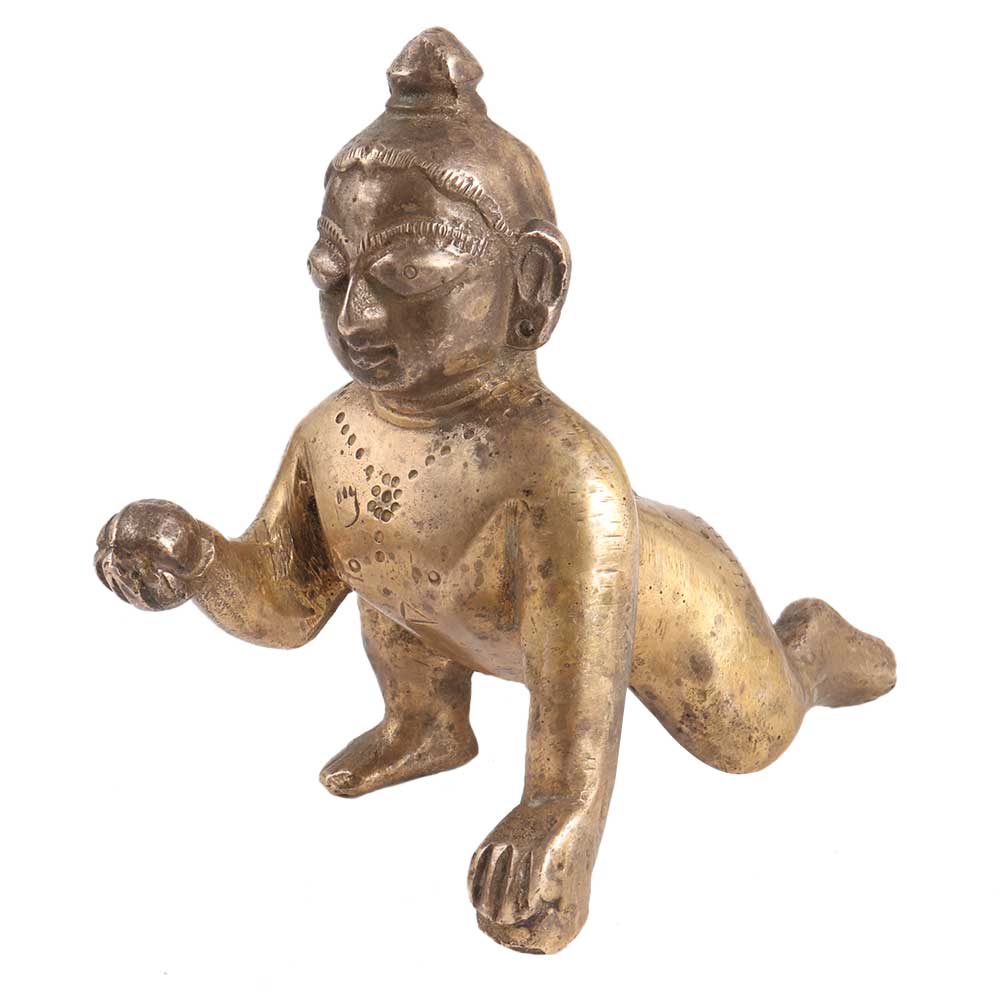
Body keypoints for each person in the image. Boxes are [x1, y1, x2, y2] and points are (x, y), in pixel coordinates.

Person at [95, 27, 895, 954]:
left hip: (678, 606)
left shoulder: (562, 476)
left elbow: (577, 688)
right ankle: (425, 723)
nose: (356, 317)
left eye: (404, 276)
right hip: (452, 612)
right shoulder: (331, 433)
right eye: (332, 274)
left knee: (751, 738)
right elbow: (290, 604)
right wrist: (197, 561)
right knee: (387, 548)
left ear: (533, 281)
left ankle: (814, 647)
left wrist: (559, 819)